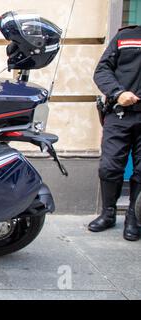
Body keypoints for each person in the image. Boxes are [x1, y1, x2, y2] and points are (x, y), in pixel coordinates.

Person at [88, 25, 141, 241]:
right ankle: (108, 213)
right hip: (120, 114)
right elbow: (102, 70)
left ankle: (133, 217)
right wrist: (117, 93)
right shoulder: (126, 36)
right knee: (109, 167)